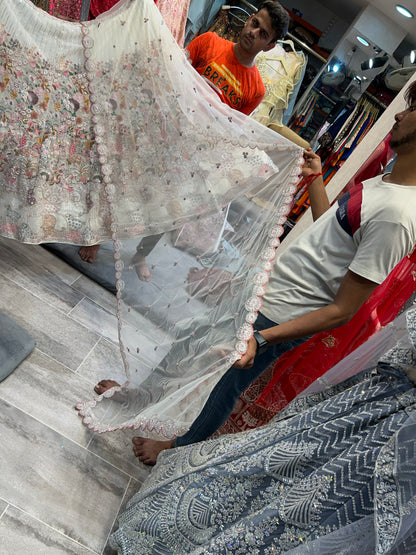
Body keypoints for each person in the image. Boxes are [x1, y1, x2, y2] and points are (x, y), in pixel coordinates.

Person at [98, 79, 416, 465]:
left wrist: (263, 340)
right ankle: (138, 398)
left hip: (282, 313)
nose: (399, 113)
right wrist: (316, 177)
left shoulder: (400, 216)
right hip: (266, 291)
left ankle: (176, 450)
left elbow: (344, 310)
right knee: (189, 339)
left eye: (411, 108)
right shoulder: (384, 182)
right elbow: (330, 229)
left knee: (227, 384)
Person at [108, 306, 416, 553]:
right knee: (282, 471)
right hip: (382, 408)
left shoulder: (397, 228)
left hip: (392, 426)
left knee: (315, 499)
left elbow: (344, 308)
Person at [79, 0, 290, 267]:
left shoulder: (256, 89)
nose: (253, 32)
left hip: (194, 151)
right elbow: (172, 74)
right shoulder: (209, 42)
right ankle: (97, 235)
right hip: (164, 128)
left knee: (168, 206)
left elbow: (230, 126)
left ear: (269, 46)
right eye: (255, 23)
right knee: (126, 180)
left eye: (263, 34)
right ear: (248, 19)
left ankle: (141, 255)